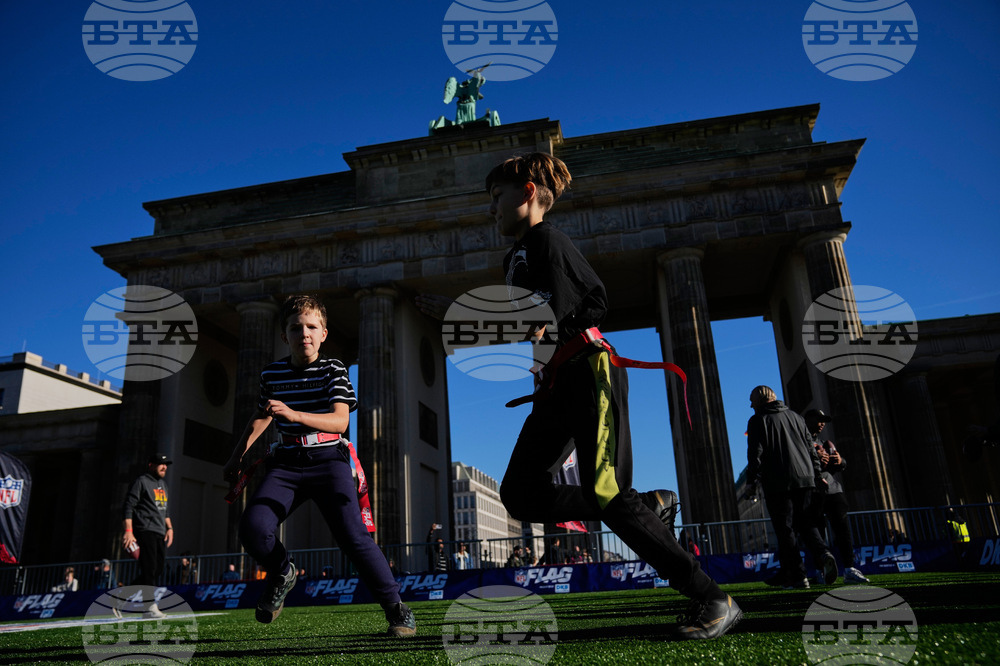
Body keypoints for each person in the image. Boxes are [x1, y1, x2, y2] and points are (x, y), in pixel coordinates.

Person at [420, 152, 738, 641]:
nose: (492, 209)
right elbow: (522, 321)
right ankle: (648, 506)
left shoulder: (549, 240)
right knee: (521, 493)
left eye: (496, 198)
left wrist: (542, 327)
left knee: (608, 490)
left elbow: (594, 297)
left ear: (528, 192)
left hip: (591, 372)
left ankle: (711, 596)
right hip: (556, 385)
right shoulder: (515, 257)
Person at [223, 295, 415, 637]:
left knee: (354, 538)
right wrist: (237, 456)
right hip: (286, 463)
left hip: (329, 460)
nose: (304, 334)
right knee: (252, 527)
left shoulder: (333, 369)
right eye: (296, 328)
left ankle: (397, 610)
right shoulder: (273, 373)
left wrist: (294, 414)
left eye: (312, 327)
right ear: (285, 336)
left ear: (324, 333)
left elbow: (340, 422)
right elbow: (262, 415)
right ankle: (283, 572)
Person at [745, 386, 837, 590]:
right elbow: (811, 450)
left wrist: (751, 481)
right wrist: (818, 474)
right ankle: (823, 553)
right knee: (806, 523)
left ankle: (798, 576)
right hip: (805, 479)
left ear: (760, 401)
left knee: (785, 529)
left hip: (778, 482)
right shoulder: (796, 417)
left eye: (752, 401)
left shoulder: (757, 420)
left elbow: (755, 454)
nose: (751, 405)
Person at [804, 408, 869, 584]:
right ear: (808, 420)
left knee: (842, 529)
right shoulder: (800, 442)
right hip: (813, 491)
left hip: (832, 490)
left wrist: (840, 461)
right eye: (819, 419)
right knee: (817, 532)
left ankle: (849, 569)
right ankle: (820, 572)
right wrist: (812, 457)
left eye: (824, 419)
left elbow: (840, 464)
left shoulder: (824, 442)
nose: (822, 423)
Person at [123, 452, 174, 618]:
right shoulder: (141, 481)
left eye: (166, 464)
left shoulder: (163, 485)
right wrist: (129, 531)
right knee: (149, 568)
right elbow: (128, 507)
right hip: (145, 529)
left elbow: (164, 510)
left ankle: (120, 598)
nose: (164, 467)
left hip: (160, 531)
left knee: (157, 569)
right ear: (151, 465)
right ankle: (149, 607)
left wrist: (170, 528)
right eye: (160, 464)